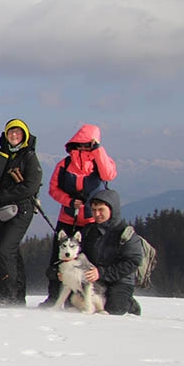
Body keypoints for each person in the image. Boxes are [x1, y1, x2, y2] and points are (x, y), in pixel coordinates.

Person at [41, 124, 117, 305]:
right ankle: (54, 297)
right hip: (68, 219)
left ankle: (90, 299)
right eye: (81, 143)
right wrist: (69, 201)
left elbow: (109, 175)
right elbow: (53, 189)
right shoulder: (64, 164)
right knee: (59, 260)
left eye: (88, 144)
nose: (84, 147)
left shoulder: (101, 162)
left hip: (92, 220)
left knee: (90, 263)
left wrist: (98, 150)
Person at [0, 119, 43, 306]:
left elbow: (31, 186)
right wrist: (2, 154)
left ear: (24, 135)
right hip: (2, 210)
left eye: (18, 132)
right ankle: (16, 296)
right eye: (11, 132)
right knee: (11, 251)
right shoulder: (1, 154)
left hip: (21, 208)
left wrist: (2, 195)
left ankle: (8, 296)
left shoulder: (29, 156)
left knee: (5, 250)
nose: (14, 135)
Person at [80, 189, 143, 315]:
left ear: (112, 209)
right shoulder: (88, 231)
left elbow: (133, 261)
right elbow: (79, 255)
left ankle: (129, 303)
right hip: (96, 278)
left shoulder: (126, 233)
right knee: (73, 303)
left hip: (121, 280)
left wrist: (102, 272)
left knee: (113, 310)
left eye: (101, 210)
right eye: (94, 210)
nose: (96, 214)